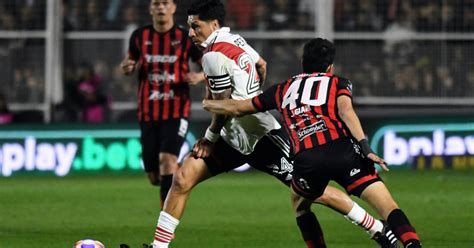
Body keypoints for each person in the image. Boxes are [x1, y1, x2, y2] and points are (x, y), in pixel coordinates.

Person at [149, 1, 398, 248]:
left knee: (314, 192)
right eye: (189, 26)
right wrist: (255, 94)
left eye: (196, 26)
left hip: (261, 137)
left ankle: (378, 228)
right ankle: (158, 247)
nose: (190, 33)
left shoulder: (213, 56)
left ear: (214, 24)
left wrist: (210, 138)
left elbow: (221, 104)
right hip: (233, 138)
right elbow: (262, 64)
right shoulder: (235, 40)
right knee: (182, 179)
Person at [203, 38, 422, 248]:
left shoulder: (283, 89)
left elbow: (239, 108)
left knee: (300, 207)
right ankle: (412, 244)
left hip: (308, 160)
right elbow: (346, 111)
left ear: (302, 63)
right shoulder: (339, 82)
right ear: (330, 67)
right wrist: (366, 147)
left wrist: (209, 103)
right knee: (388, 206)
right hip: (344, 152)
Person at [120, 0, 205, 207]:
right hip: (148, 112)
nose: (160, 7)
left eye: (165, 3)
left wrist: (199, 76)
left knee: (167, 160)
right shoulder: (139, 36)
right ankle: (174, 177)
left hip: (177, 110)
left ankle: (165, 218)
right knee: (154, 176)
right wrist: (127, 67)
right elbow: (129, 63)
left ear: (174, 8)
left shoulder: (185, 37)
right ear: (150, 9)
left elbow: (206, 62)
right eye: (156, 4)